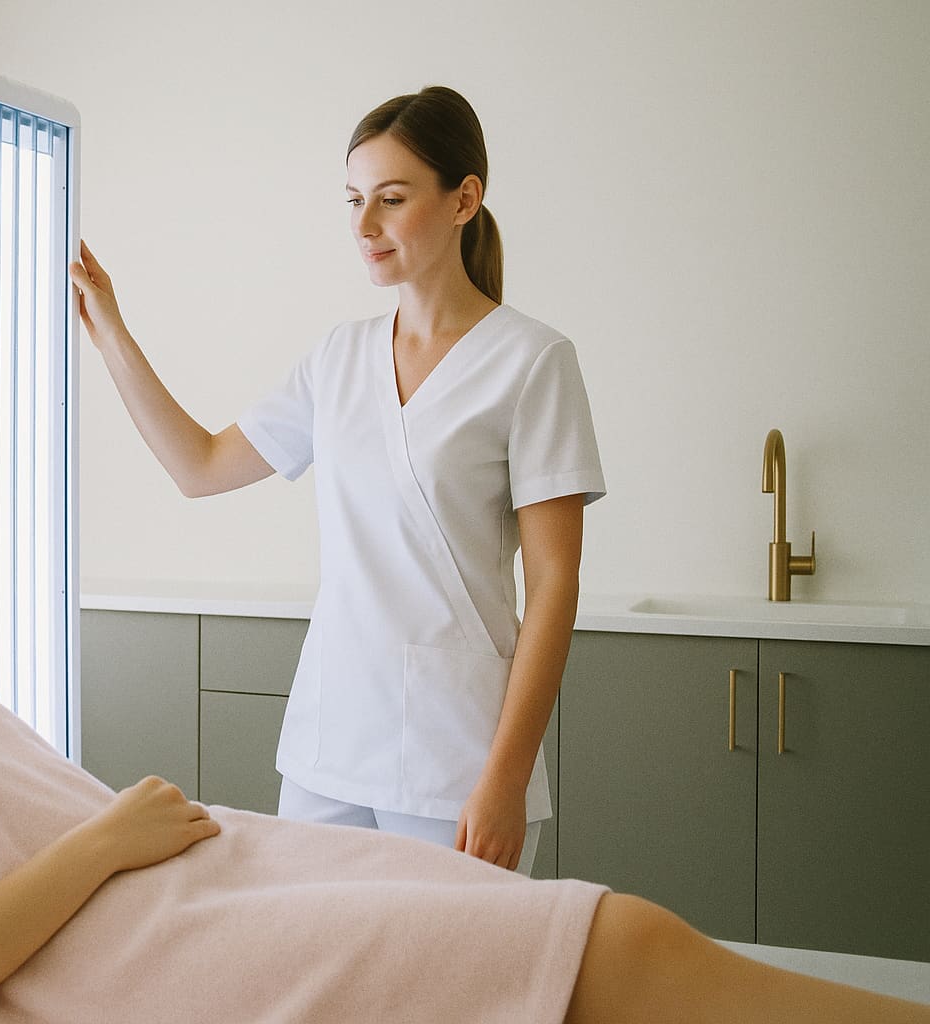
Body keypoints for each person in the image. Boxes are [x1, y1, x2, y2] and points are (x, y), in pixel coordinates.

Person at [0, 462, 930, 1024]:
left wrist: (129, 840)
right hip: (139, 961)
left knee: (615, 941)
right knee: (607, 956)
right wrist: (102, 846)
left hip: (220, 875)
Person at [71, 87, 599, 875]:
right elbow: (199, 466)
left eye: (392, 199)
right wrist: (111, 330)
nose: (364, 224)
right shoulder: (338, 358)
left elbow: (554, 584)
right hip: (328, 749)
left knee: (450, 958)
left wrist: (507, 778)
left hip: (456, 763)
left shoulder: (531, 362)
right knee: (316, 952)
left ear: (465, 200)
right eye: (354, 200)